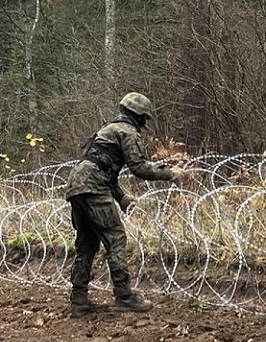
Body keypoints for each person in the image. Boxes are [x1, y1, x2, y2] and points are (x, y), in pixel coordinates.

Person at [65, 92, 185, 318]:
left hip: (76, 186)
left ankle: (79, 300)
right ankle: (124, 296)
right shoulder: (127, 132)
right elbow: (139, 168)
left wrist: (120, 197)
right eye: (144, 119)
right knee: (116, 238)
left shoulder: (106, 130)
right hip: (93, 187)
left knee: (87, 244)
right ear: (139, 116)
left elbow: (100, 166)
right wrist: (171, 174)